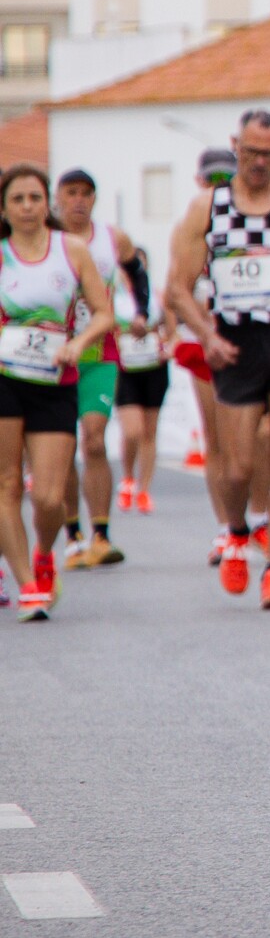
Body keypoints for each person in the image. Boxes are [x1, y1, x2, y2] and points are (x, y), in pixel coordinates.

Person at [166, 110, 270, 610]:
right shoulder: (209, 208)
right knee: (239, 465)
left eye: (269, 153)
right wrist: (206, 336)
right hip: (234, 341)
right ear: (235, 146)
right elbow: (178, 287)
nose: (259, 162)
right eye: (251, 152)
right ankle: (237, 532)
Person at [0, 165, 115, 620]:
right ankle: (27, 583)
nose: (28, 207)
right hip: (6, 378)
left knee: (49, 497)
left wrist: (79, 343)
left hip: (55, 380)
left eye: (34, 198)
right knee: (8, 483)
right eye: (18, 199)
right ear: (5, 209)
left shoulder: (71, 250)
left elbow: (103, 314)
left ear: (46, 203)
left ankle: (45, 552)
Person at [53, 168, 143, 569]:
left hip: (100, 355)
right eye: (71, 193)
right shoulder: (46, 240)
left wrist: (139, 310)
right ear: (58, 198)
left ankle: (101, 535)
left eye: (86, 193)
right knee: (65, 447)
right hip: (54, 358)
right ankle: (72, 535)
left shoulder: (112, 238)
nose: (79, 200)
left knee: (93, 439)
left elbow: (135, 269)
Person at [113, 286, 172, 517]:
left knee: (150, 431)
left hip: (153, 368)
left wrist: (165, 341)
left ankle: (144, 488)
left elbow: (172, 329)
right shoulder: (116, 299)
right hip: (126, 369)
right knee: (132, 430)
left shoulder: (158, 297)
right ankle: (128, 478)